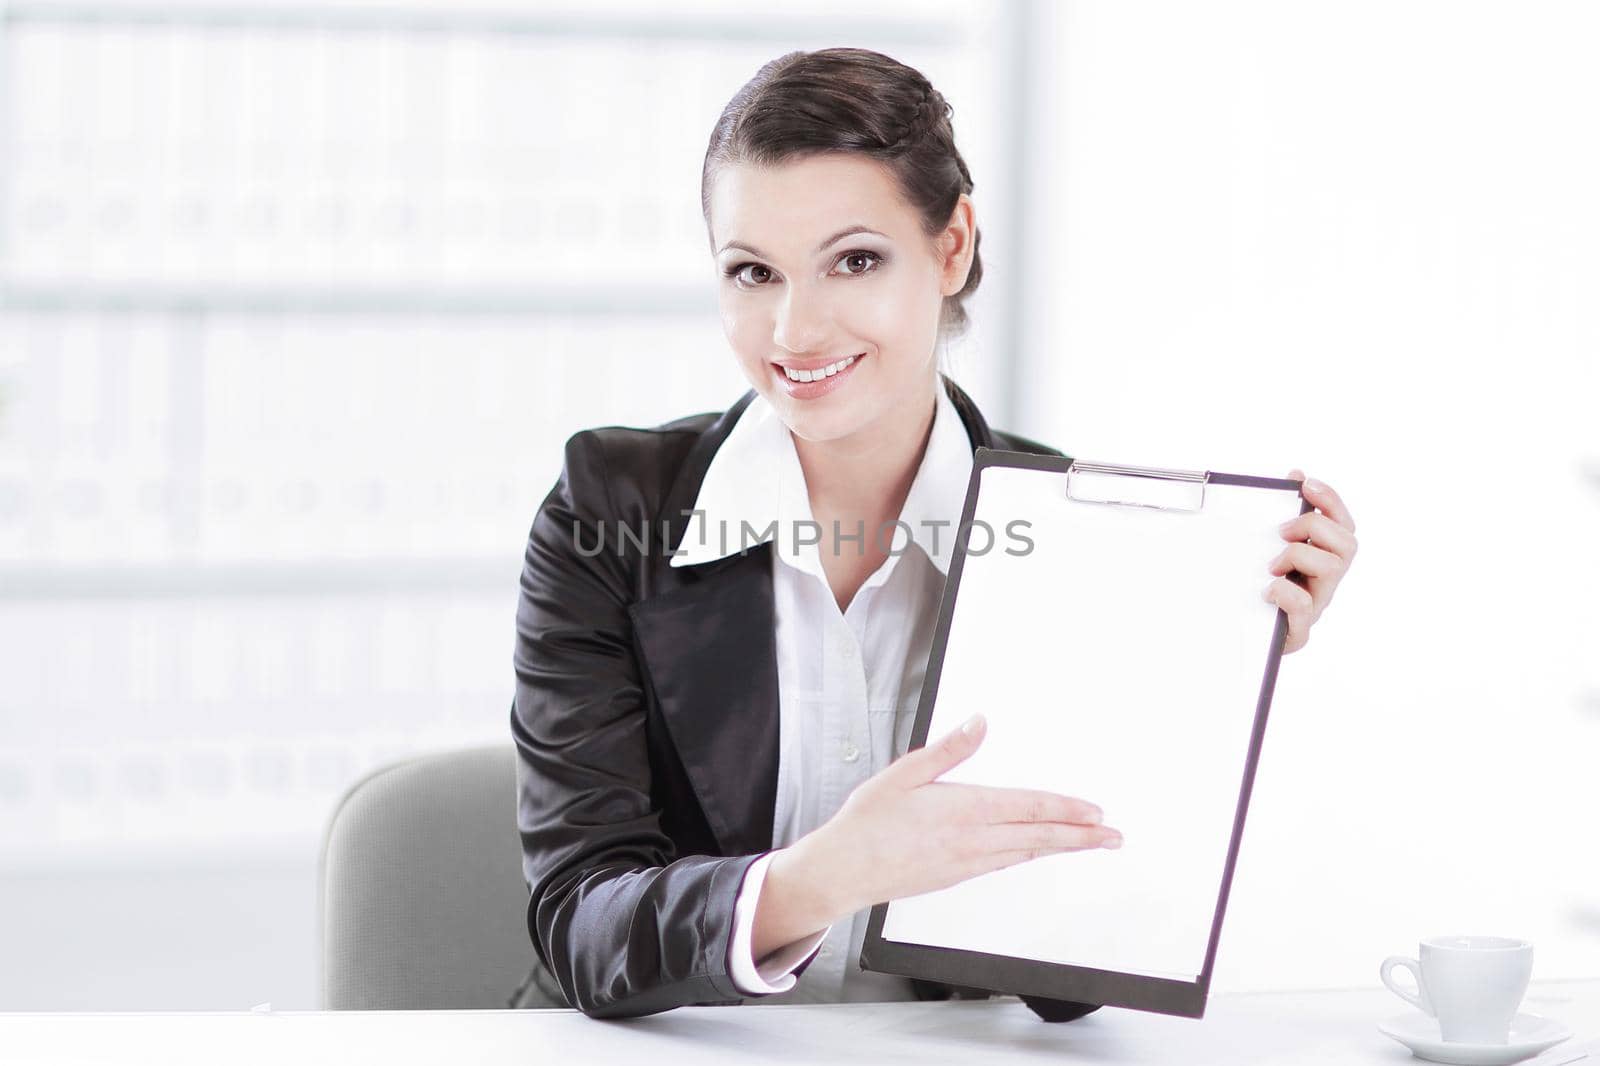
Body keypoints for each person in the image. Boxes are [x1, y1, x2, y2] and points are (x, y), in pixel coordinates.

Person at [508, 47, 1358, 1021]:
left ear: (950, 247)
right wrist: (816, 879)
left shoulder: (1073, 536)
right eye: (753, 272)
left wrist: (1193, 669)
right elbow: (582, 923)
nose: (794, 329)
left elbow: (1066, 978)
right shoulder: (609, 509)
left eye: (854, 260)